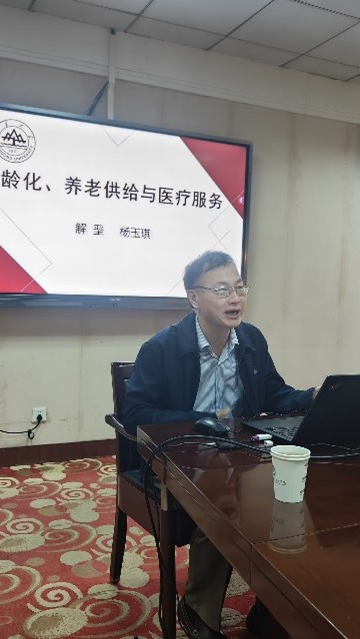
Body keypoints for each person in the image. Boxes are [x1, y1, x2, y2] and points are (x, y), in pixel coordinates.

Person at [122, 250, 317, 639]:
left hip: (241, 455)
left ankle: (271, 608)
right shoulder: (161, 348)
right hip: (180, 459)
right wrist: (198, 421)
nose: (236, 299)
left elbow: (274, 392)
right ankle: (198, 610)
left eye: (240, 288)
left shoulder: (251, 340)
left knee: (289, 499)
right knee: (225, 509)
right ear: (194, 298)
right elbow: (135, 414)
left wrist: (312, 398)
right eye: (223, 289)